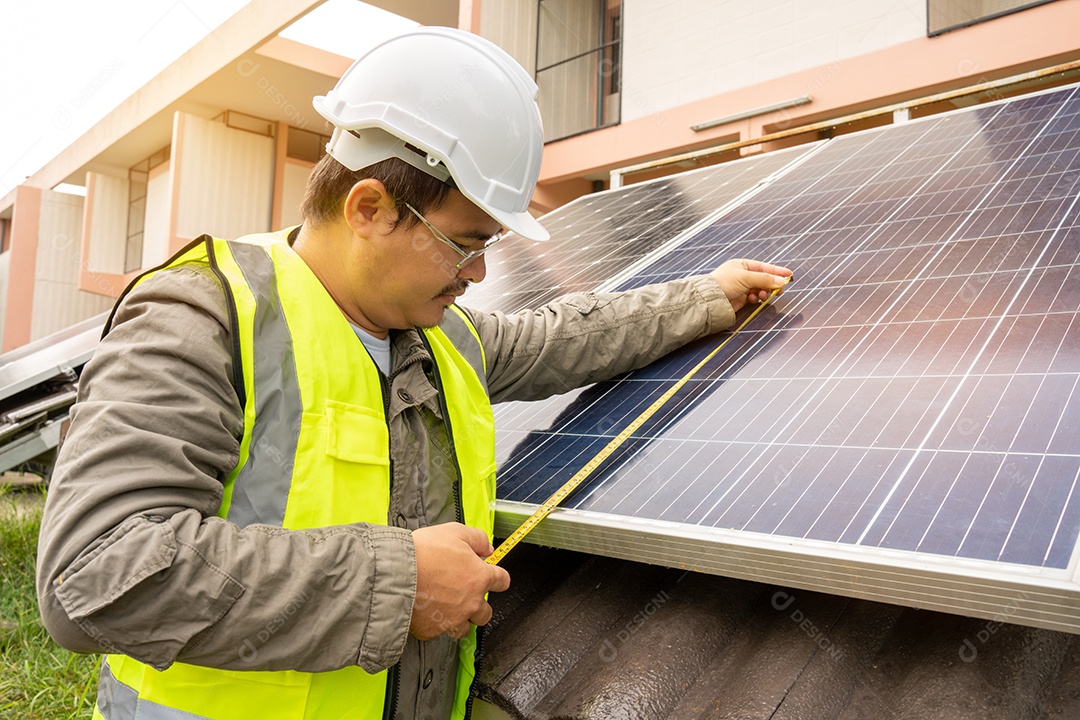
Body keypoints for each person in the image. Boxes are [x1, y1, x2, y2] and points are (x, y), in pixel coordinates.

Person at [36, 26, 791, 720]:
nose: (482, 270)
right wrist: (395, 586)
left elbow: (562, 338)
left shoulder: (441, 337)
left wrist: (703, 297)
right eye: (466, 241)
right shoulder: (204, 318)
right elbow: (97, 573)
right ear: (370, 207)